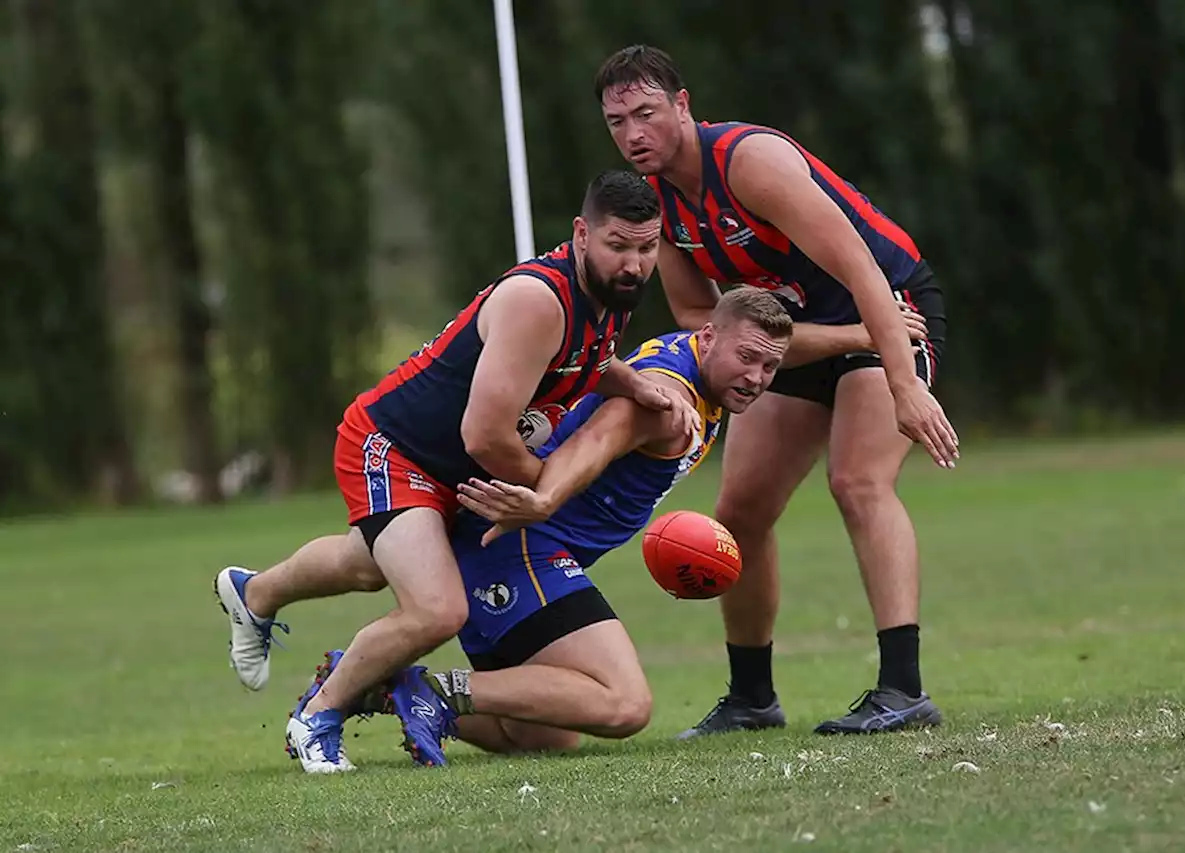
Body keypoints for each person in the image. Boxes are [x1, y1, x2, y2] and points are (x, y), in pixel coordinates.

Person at [214, 170, 695, 774]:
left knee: (365, 568)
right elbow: (484, 435)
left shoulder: (609, 296)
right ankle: (318, 716)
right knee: (437, 609)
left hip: (450, 470)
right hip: (396, 447)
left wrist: (635, 382)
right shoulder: (539, 301)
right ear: (580, 234)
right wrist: (546, 493)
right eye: (618, 246)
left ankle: (254, 591)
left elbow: (588, 359)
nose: (633, 264)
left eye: (646, 248)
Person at [591, 45, 960, 737]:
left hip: (888, 308)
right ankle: (752, 699)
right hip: (808, 332)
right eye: (617, 122)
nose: (634, 133)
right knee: (740, 509)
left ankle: (904, 690)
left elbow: (860, 266)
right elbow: (701, 319)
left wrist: (901, 379)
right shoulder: (659, 204)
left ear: (683, 105)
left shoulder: (749, 162)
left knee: (858, 481)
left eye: (646, 113)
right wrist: (834, 339)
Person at [290, 287, 794, 764]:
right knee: (623, 704)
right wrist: (545, 499)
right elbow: (600, 437)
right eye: (746, 357)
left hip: (526, 544)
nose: (756, 376)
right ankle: (431, 690)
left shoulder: (698, 372)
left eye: (770, 365)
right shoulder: (667, 400)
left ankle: (378, 682)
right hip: (522, 545)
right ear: (707, 336)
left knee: (541, 734)